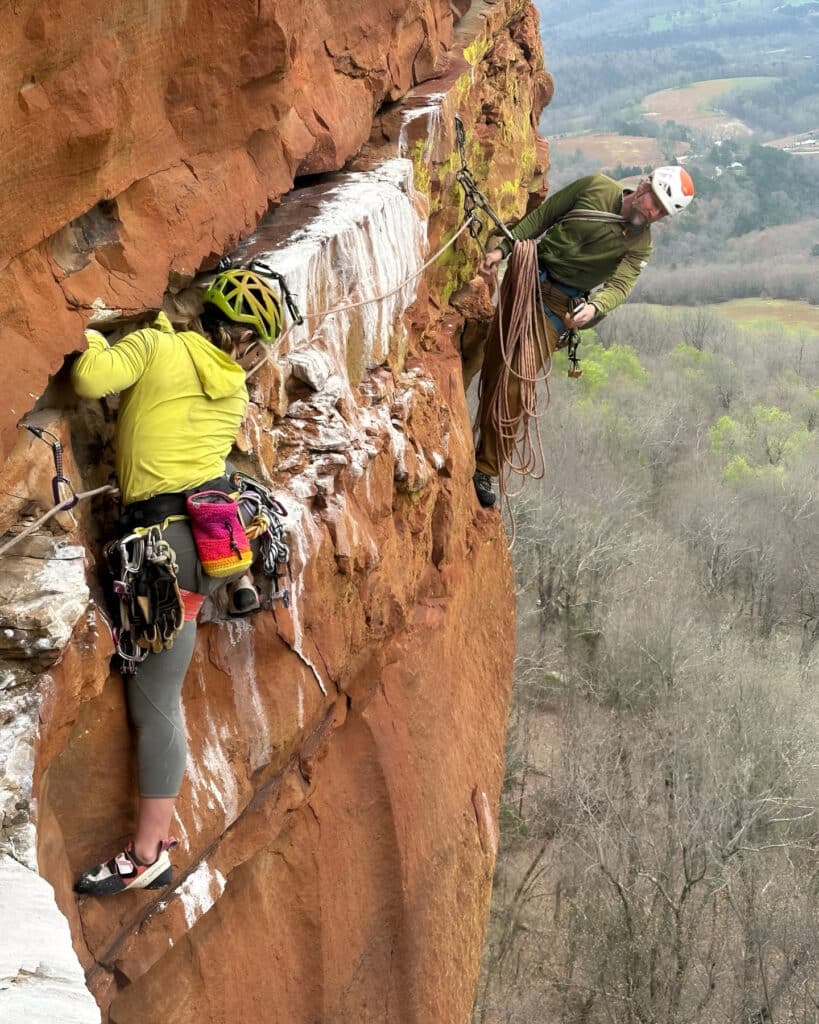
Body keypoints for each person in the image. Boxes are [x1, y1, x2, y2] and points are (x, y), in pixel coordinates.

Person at [70, 269, 281, 896]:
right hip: (200, 543)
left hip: (157, 547)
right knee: (160, 690)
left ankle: (148, 855)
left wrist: (92, 332)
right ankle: (149, 848)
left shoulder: (156, 344)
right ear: (245, 342)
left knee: (156, 702)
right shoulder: (235, 389)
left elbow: (88, 379)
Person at [472, 165, 694, 507]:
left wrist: (595, 307)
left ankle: (486, 467)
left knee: (518, 379)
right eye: (655, 203)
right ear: (644, 185)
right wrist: (504, 249)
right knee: (493, 362)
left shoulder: (640, 245)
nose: (653, 213)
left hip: (557, 305)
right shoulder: (595, 187)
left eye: (662, 213)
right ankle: (476, 438)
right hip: (526, 274)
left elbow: (620, 285)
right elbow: (544, 216)